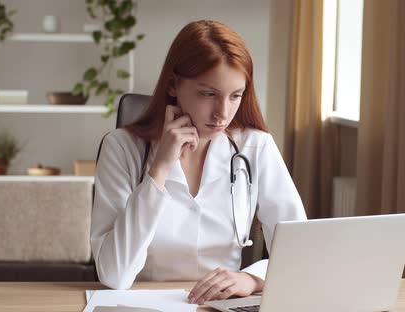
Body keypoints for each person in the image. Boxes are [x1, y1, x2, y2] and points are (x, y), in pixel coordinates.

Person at [90, 20, 306, 305]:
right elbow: (115, 274)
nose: (222, 113)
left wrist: (251, 279)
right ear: (172, 85)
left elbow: (299, 252)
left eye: (235, 96)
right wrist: (159, 170)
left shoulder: (255, 147)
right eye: (208, 94)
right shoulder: (121, 148)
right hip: (141, 304)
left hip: (222, 305)